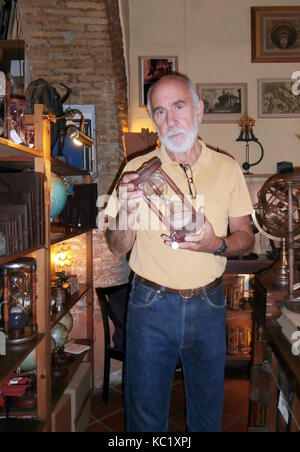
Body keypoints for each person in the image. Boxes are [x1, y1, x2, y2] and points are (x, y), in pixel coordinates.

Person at [105, 74, 254, 432]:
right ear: (153, 119)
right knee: (144, 416)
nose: (170, 119)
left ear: (199, 109)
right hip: (150, 305)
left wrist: (215, 244)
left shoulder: (227, 168)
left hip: (210, 304)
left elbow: (246, 238)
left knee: (207, 412)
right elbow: (115, 246)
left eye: (178, 106)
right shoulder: (134, 172)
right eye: (160, 111)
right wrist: (126, 209)